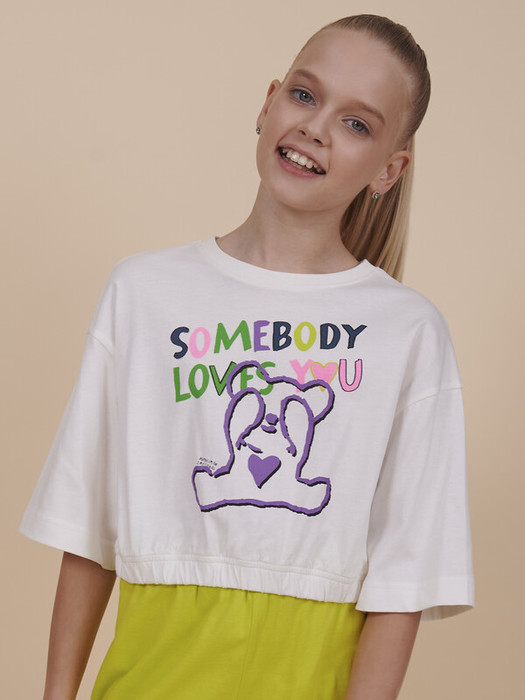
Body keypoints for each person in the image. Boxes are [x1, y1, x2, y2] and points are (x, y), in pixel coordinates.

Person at [19, 14, 474, 700]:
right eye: (304, 95)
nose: (315, 128)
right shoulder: (144, 293)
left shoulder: (408, 334)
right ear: (267, 103)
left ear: (389, 169)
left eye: (356, 124)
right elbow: (89, 526)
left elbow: (400, 582)